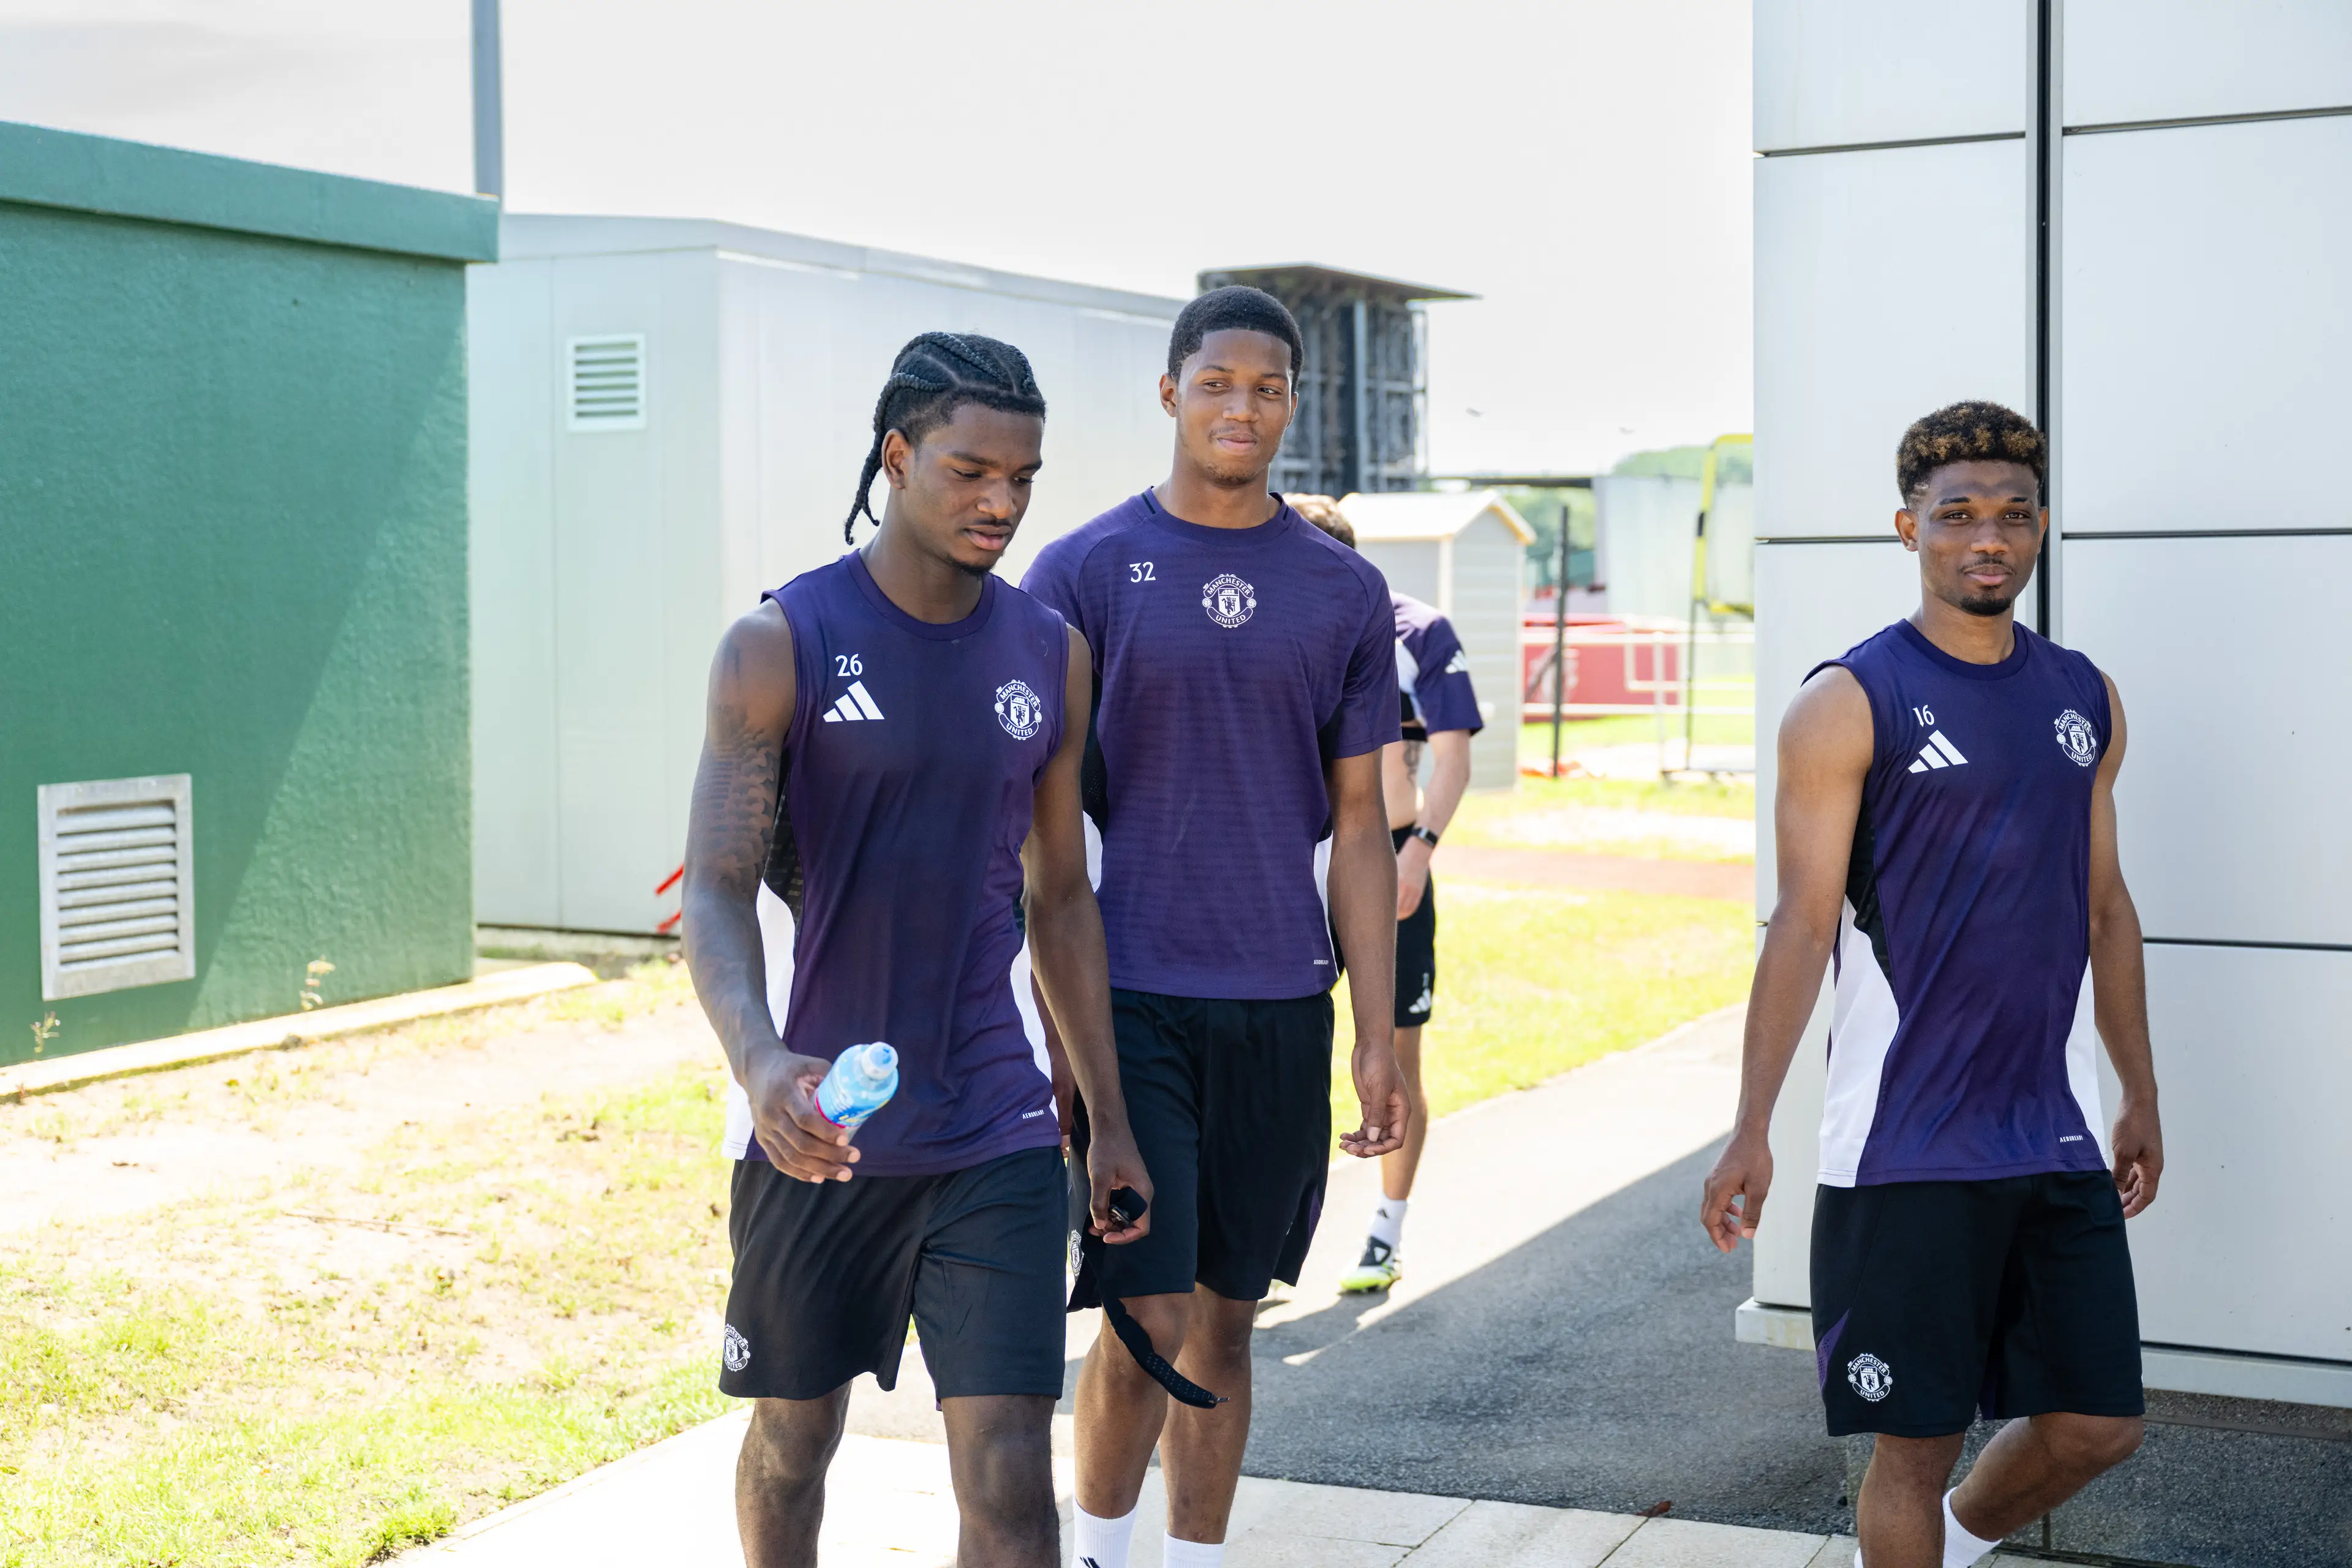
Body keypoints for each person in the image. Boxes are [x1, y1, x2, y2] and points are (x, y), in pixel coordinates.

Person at [681, 332, 1153, 1568]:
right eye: (969, 470)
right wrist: (762, 1063)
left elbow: (1060, 900)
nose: (999, 501)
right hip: (820, 1123)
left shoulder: (1049, 651)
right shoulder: (778, 644)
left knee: (1010, 1482)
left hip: (990, 1125)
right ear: (898, 455)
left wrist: (1104, 1115)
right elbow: (720, 891)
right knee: (794, 1444)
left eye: (1024, 478)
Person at [1700, 402, 2162, 1568]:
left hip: (2048, 1136)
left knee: (2100, 1421)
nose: (1986, 538)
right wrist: (1751, 1128)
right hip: (1904, 1144)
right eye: (1957, 514)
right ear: (1908, 527)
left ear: (2043, 528)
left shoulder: (2085, 698)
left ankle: (1947, 1549)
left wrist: (2139, 1092)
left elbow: (2105, 905)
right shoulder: (1849, 702)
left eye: (2012, 515)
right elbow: (1802, 928)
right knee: (1913, 1447)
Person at [1022, 287, 1409, 1568]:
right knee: (1146, 1307)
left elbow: (1361, 824)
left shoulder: (1345, 591)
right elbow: (1039, 830)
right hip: (1129, 996)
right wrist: (1061, 1041)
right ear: (1171, 392)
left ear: (1291, 403)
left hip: (1280, 1002)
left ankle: (1194, 1557)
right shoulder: (1080, 571)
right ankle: (1099, 1553)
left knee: (1229, 1321)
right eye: (1218, 381)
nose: (1242, 405)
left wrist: (1379, 1028)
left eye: (1269, 387)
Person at [1289, 497, 1483, 1295]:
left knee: (1395, 1054)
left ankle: (1384, 1233)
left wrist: (1419, 854)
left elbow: (1453, 759)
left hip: (1390, 861)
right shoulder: (1275, 626)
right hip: (1292, 865)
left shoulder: (1417, 630)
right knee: (1286, 1055)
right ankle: (1270, 1245)